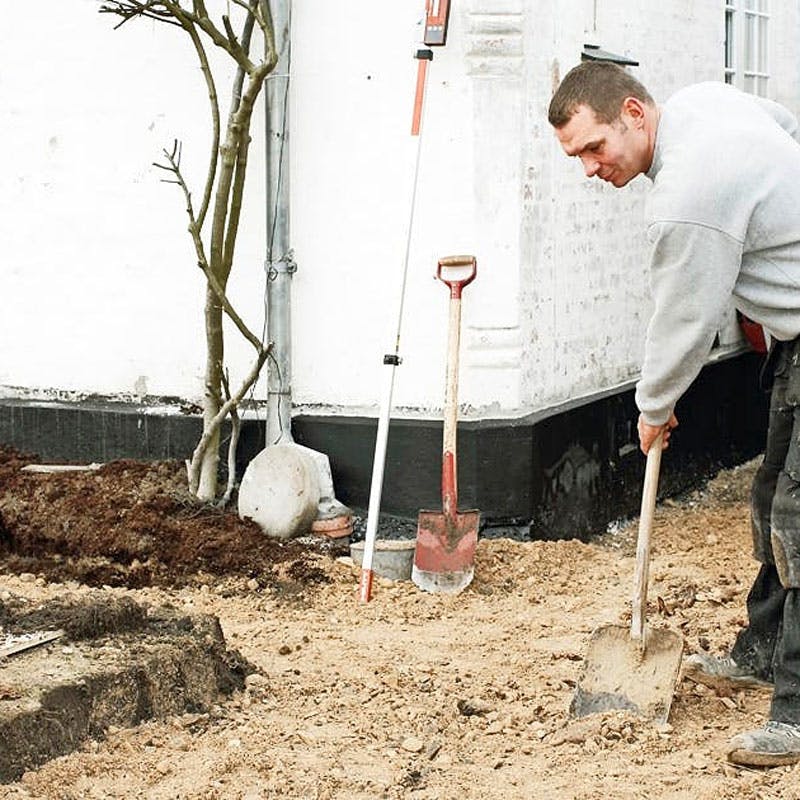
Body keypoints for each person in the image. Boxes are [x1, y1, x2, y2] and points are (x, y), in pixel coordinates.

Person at [548, 60, 800, 768]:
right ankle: (762, 651)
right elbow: (785, 128)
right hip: (793, 339)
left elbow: (684, 319)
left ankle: (796, 712)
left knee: (799, 520)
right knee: (771, 496)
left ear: (633, 113)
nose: (590, 169)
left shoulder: (687, 194)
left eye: (595, 147)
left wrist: (652, 409)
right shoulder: (701, 104)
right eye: (576, 157)